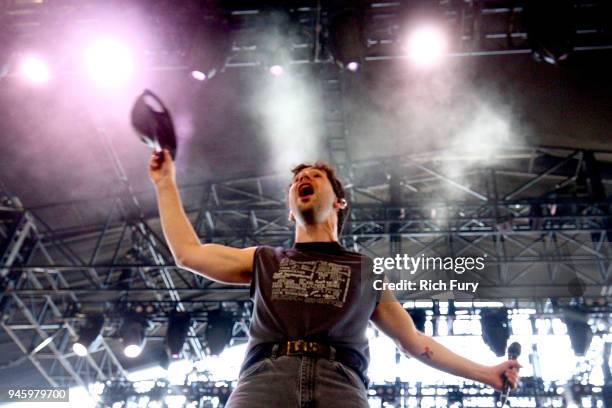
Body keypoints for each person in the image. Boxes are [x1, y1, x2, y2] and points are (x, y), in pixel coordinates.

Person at [149, 149, 520, 407]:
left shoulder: (367, 272)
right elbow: (188, 253)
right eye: (296, 180)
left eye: (314, 176)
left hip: (340, 386)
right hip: (265, 384)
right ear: (290, 210)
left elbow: (416, 343)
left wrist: (485, 373)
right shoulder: (264, 259)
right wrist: (165, 182)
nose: (302, 180)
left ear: (339, 203)